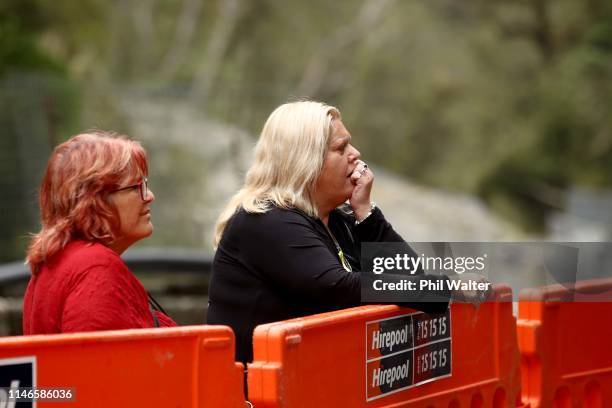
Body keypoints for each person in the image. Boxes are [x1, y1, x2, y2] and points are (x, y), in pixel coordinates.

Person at [207, 101, 451, 365]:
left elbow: (412, 276)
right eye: (340, 148)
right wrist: (435, 289)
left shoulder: (337, 219)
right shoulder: (266, 220)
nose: (355, 154)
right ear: (305, 162)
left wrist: (367, 215)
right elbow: (337, 288)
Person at [23, 131, 176, 334]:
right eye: (137, 187)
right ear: (95, 200)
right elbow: (101, 361)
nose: (149, 196)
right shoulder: (95, 266)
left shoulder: (58, 261)